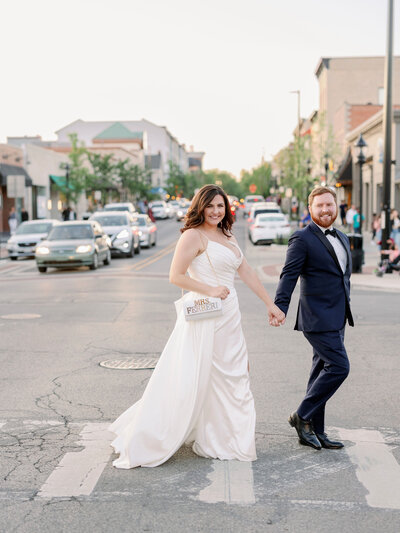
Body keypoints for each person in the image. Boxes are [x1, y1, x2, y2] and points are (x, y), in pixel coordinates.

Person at [109, 184, 285, 468]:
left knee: (236, 373)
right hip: (206, 315)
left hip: (230, 315)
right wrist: (210, 289)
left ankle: (226, 437)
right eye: (210, 206)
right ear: (200, 207)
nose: (216, 211)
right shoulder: (193, 235)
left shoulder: (227, 235)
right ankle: (205, 437)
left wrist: (269, 303)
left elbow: (247, 271)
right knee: (200, 376)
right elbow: (176, 276)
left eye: (220, 206)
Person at [274, 186, 353, 451]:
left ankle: (315, 431)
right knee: (340, 367)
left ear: (336, 206)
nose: (325, 209)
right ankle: (302, 415)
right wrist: (280, 306)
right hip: (316, 318)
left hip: (338, 317)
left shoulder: (342, 237)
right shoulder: (302, 238)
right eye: (319, 205)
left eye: (329, 204)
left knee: (321, 370)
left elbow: (342, 277)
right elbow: (289, 275)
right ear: (310, 209)